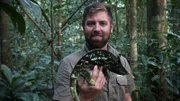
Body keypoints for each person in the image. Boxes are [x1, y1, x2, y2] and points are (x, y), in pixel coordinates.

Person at [53, 2, 135, 101]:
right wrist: (84, 97)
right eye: (91, 23)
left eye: (102, 23)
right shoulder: (68, 64)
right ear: (83, 27)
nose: (97, 29)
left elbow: (127, 97)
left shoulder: (121, 60)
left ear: (111, 27)